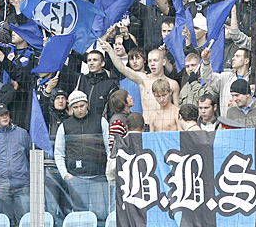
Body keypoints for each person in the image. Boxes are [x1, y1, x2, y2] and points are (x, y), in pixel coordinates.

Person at [54, 91, 111, 224]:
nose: (79, 110)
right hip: (76, 178)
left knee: (101, 213)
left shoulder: (101, 121)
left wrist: (107, 171)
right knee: (79, 216)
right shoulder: (64, 126)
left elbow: (109, 148)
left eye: (82, 106)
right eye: (75, 107)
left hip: (99, 177)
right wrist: (65, 175)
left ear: (87, 104)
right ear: (70, 108)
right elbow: (59, 153)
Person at [98, 40, 180, 125]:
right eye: (150, 61)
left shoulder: (173, 84)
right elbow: (122, 68)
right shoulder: (143, 79)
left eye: (155, 60)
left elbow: (177, 111)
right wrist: (110, 50)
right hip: (147, 125)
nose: (152, 64)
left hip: (167, 125)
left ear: (163, 62)